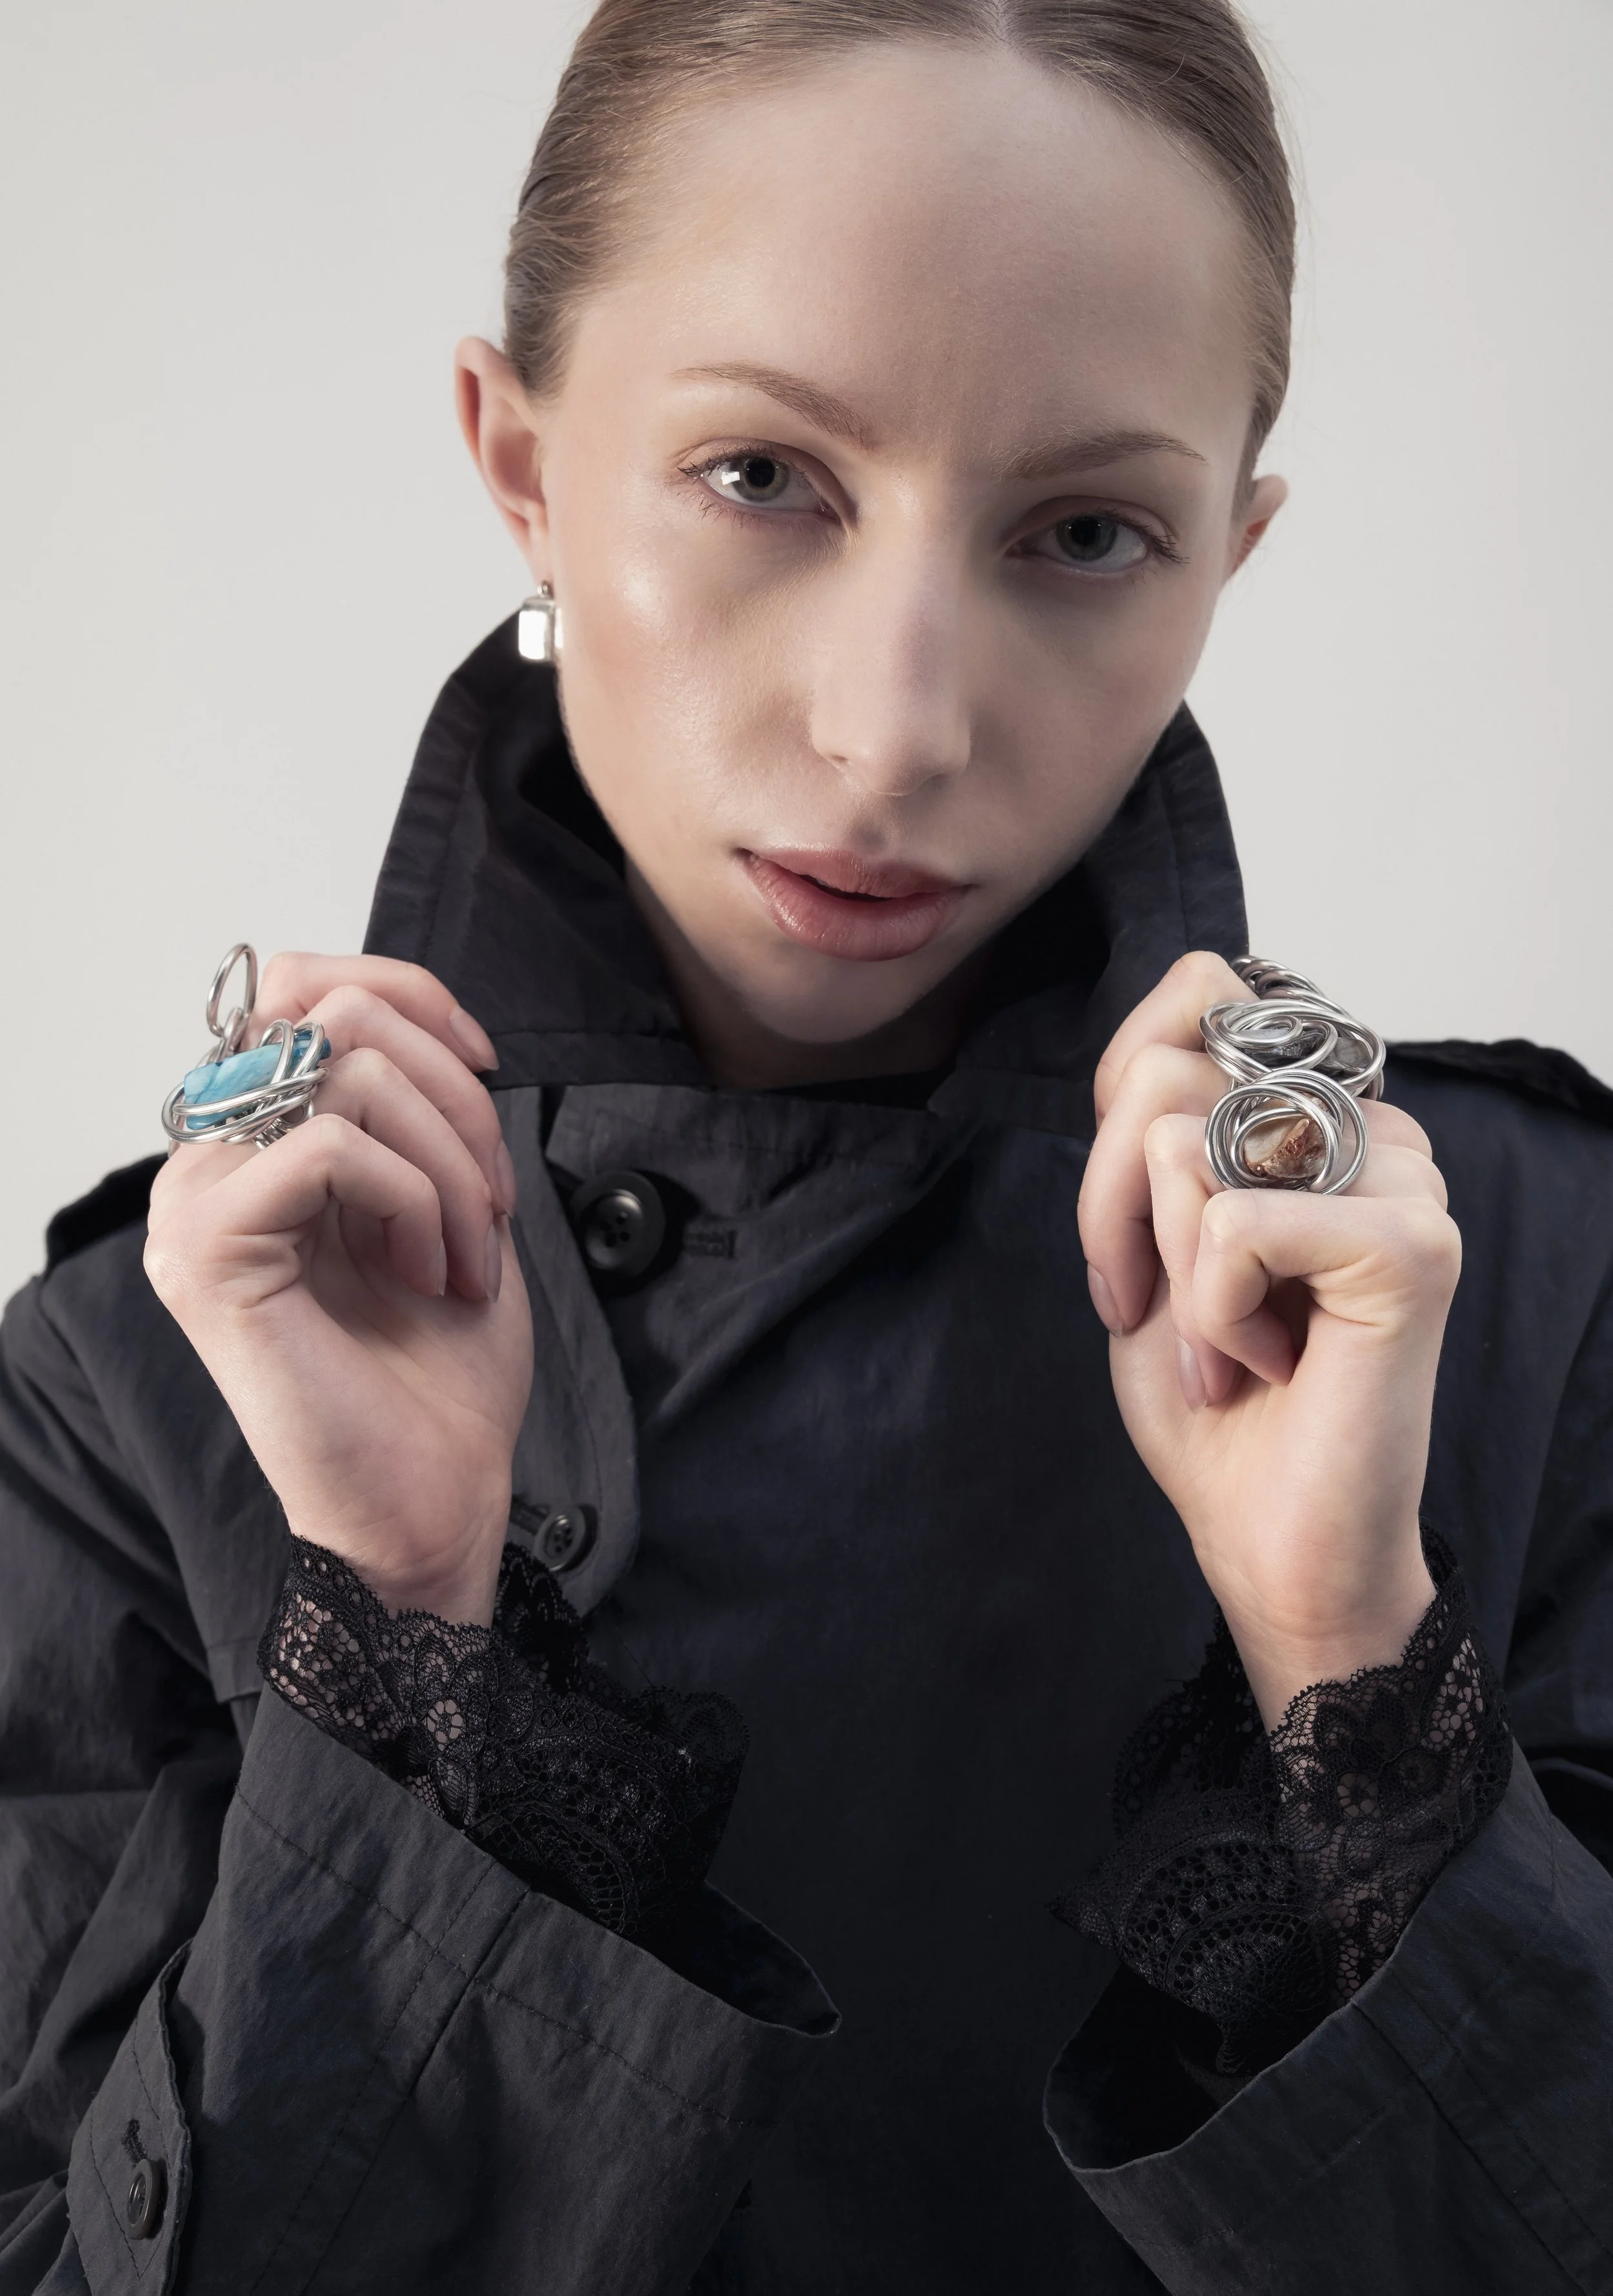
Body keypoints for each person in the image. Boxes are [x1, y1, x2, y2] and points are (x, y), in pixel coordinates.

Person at [2, 1, 1610, 2288]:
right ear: (520, 455)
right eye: (766, 477)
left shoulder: (1535, 1282)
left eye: (1082, 528)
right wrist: (404, 1657)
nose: (893, 731)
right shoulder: (139, 1378)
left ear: (1225, 560)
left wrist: (1355, 1677)